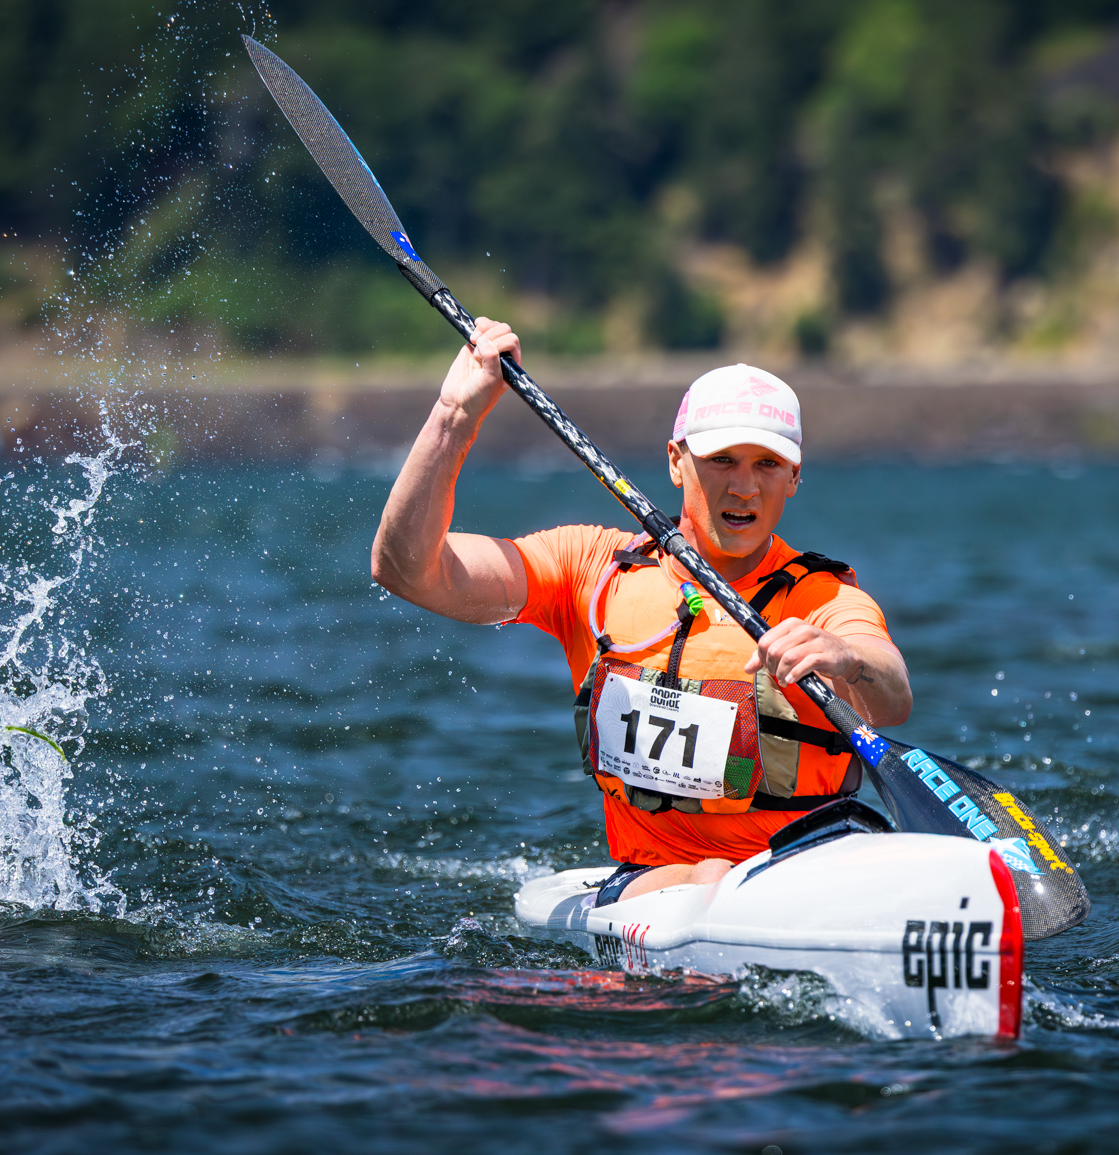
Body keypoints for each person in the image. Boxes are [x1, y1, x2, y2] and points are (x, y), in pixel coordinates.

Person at [371, 317, 911, 903]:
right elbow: (408, 570)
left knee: (721, 879)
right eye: (722, 460)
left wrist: (848, 658)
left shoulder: (819, 596)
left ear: (794, 477)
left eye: (767, 465)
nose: (745, 487)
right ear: (677, 461)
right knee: (710, 877)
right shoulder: (590, 568)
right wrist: (454, 415)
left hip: (803, 881)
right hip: (651, 884)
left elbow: (893, 696)